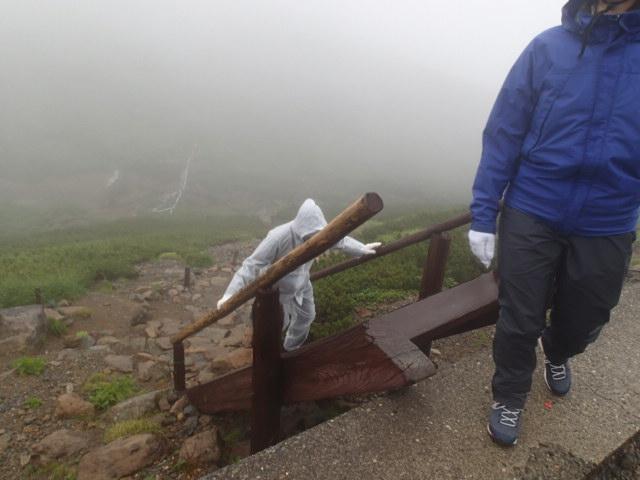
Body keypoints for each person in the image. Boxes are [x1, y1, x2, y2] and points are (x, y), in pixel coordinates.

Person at [468, 0, 640, 446]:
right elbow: (505, 130)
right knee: (518, 317)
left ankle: (559, 349)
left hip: (609, 216)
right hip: (534, 205)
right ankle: (509, 395)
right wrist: (484, 212)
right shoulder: (547, 48)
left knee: (587, 317)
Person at [217, 199, 381, 351]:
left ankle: (291, 348)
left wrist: (361, 249)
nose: (314, 239)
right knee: (278, 324)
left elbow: (339, 241)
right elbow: (251, 265)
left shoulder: (320, 235)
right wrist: (229, 295)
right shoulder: (278, 237)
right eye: (310, 235)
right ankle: (267, 352)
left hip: (302, 283)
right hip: (278, 289)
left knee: (307, 316)